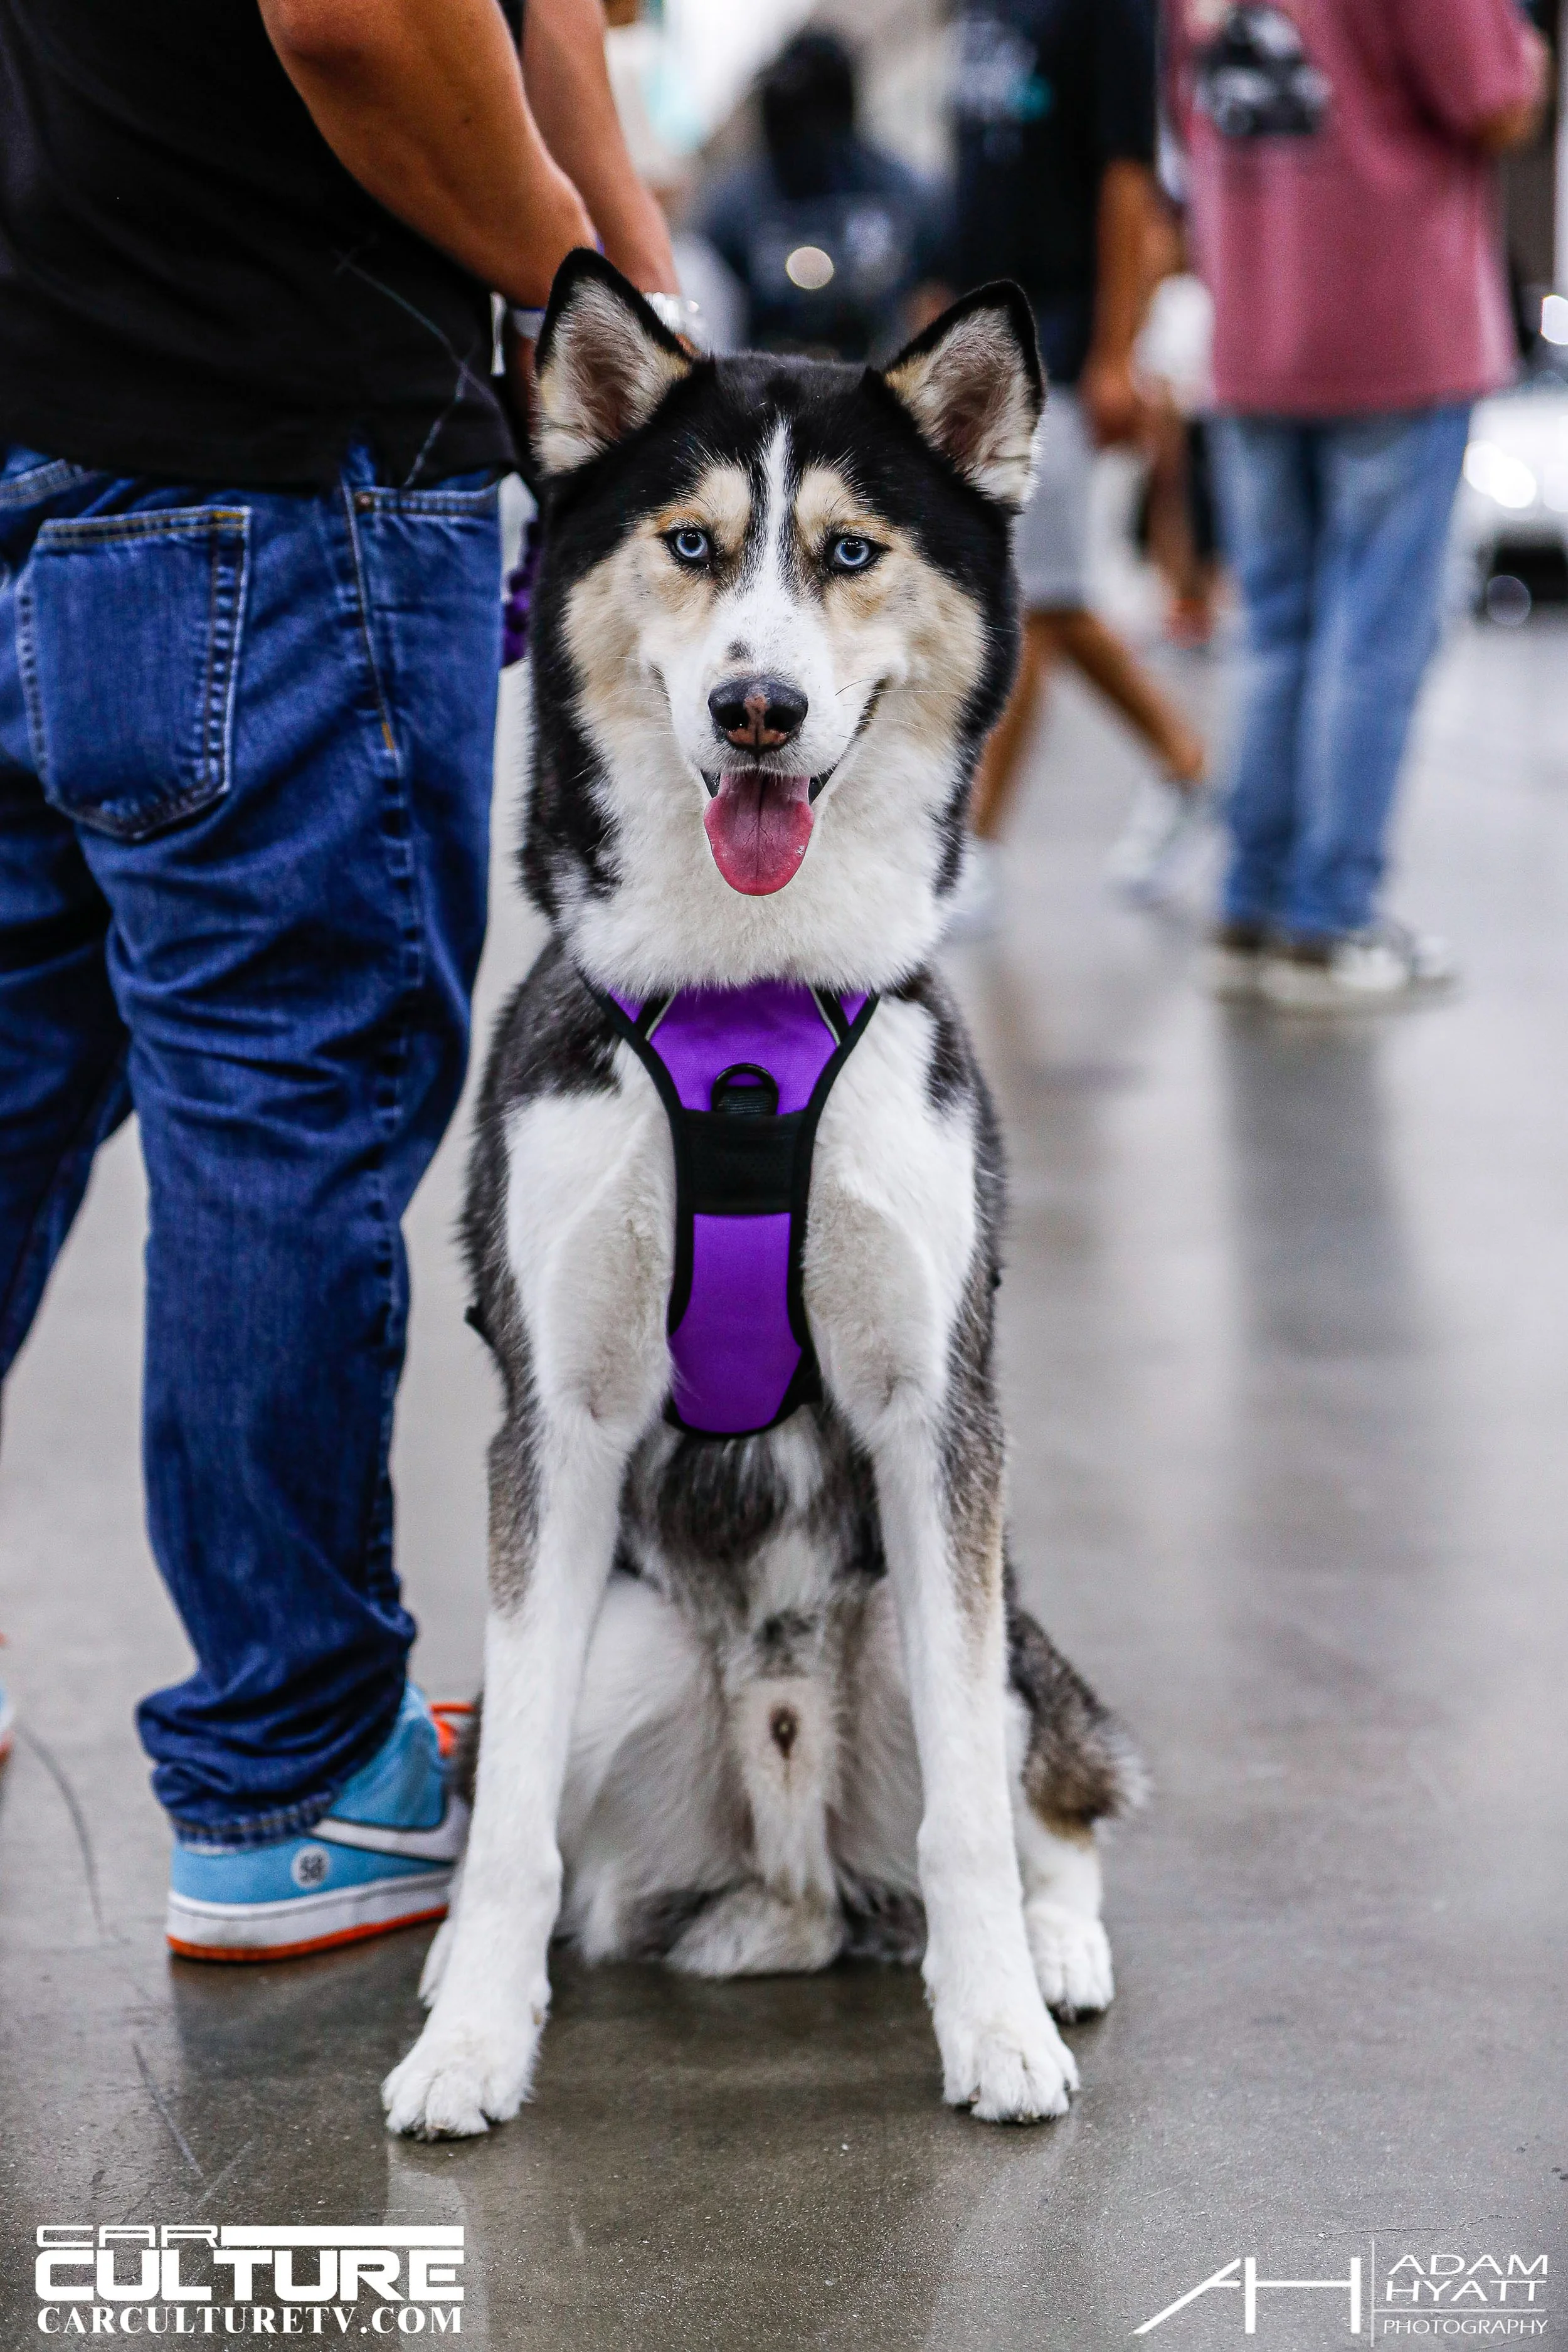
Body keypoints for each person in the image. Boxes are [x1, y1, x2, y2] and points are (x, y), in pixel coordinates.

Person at [0, 0, 677, 1952]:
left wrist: (621, 279)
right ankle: (292, 1774)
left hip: (50, 410)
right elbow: (367, 19)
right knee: (283, 1100)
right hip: (264, 456)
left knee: (16, 1077)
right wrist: (582, 294)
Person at [1167, 0, 1546, 1009]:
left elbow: (1192, 109)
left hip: (1254, 326)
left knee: (1277, 631)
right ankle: (1329, 924)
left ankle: (1252, 906)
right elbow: (1496, 98)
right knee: (1375, 638)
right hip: (1398, 329)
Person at [942, 0, 1210, 935]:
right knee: (1042, 594)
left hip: (1057, 333)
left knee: (1028, 592)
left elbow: (1129, 178)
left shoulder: (1112, 12)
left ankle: (974, 843)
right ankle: (1183, 763)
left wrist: (1114, 348)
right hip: (983, 343)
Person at [692, 30, 948, 364]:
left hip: (875, 382)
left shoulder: (901, 193)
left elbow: (937, 300)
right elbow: (710, 307)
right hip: (769, 387)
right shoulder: (736, 202)